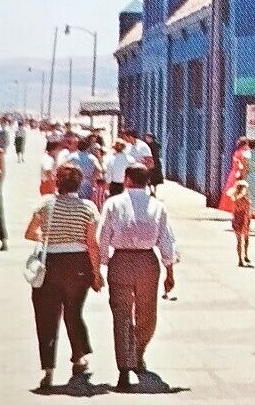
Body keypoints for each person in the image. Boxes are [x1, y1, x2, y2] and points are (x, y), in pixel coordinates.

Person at [97, 163, 177, 390]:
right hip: (147, 262)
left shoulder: (113, 204)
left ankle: (124, 366)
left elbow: (102, 236)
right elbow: (166, 240)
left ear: (126, 180)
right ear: (147, 181)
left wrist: (100, 266)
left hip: (120, 261)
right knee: (147, 313)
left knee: (121, 315)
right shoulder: (157, 206)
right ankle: (138, 352)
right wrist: (169, 271)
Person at [24, 163, 103, 391]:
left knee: (46, 318)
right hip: (78, 265)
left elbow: (29, 233)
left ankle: (48, 370)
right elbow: (92, 245)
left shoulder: (45, 204)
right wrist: (96, 274)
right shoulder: (88, 207)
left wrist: (47, 236)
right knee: (73, 311)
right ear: (80, 183)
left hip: (51, 264)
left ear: (57, 182)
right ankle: (78, 358)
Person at [229, 178, 253, 266]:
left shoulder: (234, 199)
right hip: (244, 220)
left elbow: (234, 211)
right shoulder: (246, 201)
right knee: (246, 239)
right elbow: (247, 213)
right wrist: (246, 223)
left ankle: (240, 259)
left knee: (238, 241)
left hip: (236, 220)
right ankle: (245, 255)